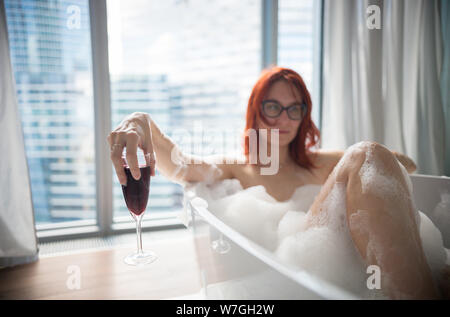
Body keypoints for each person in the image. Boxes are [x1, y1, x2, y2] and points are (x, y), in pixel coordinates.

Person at [107, 66, 442, 299]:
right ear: (256, 111)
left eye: (294, 109)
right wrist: (141, 123)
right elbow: (180, 166)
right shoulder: (237, 168)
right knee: (366, 152)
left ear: (304, 115)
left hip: (337, 266)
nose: (284, 119)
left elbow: (401, 164)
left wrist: (370, 160)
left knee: (368, 153)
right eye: (273, 107)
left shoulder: (322, 163)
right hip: (294, 275)